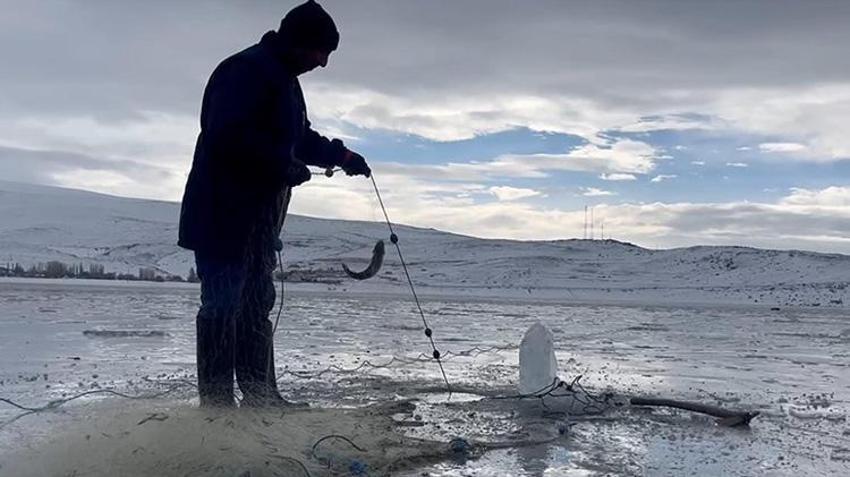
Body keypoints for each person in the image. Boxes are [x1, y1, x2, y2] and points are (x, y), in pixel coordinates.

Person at [178, 0, 370, 407]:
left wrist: (342, 156)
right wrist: (281, 165)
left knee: (255, 305)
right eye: (321, 52)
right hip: (222, 216)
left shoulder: (283, 80)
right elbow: (225, 135)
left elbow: (297, 137)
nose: (323, 63)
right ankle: (216, 407)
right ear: (299, 41)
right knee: (222, 306)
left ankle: (262, 395)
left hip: (258, 224)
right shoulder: (245, 70)